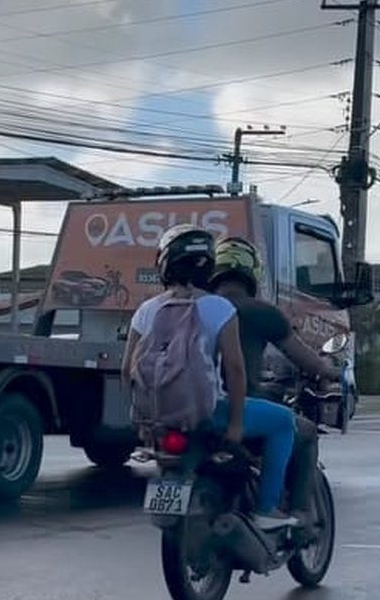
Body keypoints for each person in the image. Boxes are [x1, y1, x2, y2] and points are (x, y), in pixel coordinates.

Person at [122, 224, 299, 530]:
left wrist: (146, 421)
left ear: (165, 264)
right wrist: (235, 424)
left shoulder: (146, 310)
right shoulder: (219, 308)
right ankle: (266, 508)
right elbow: (235, 369)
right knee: (285, 422)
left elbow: (128, 370)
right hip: (209, 413)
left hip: (160, 423)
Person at [207, 236, 342, 522]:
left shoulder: (196, 307)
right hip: (235, 408)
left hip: (190, 407)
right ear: (252, 273)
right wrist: (330, 371)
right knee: (302, 432)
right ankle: (291, 511)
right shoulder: (261, 312)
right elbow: (305, 359)